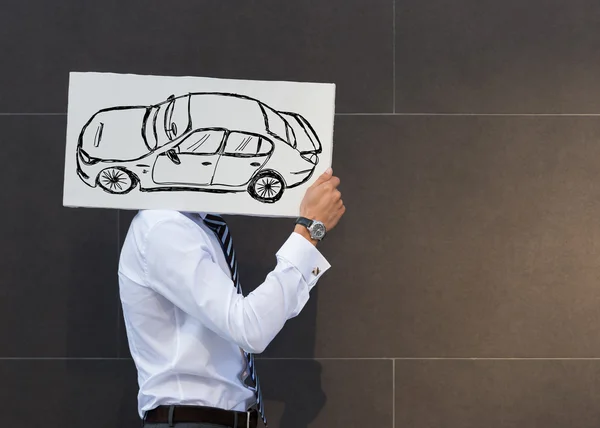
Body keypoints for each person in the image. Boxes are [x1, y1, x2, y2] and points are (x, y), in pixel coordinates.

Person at [118, 167, 345, 428]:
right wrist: (308, 231)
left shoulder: (194, 226)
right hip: (192, 421)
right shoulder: (163, 226)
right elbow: (250, 328)